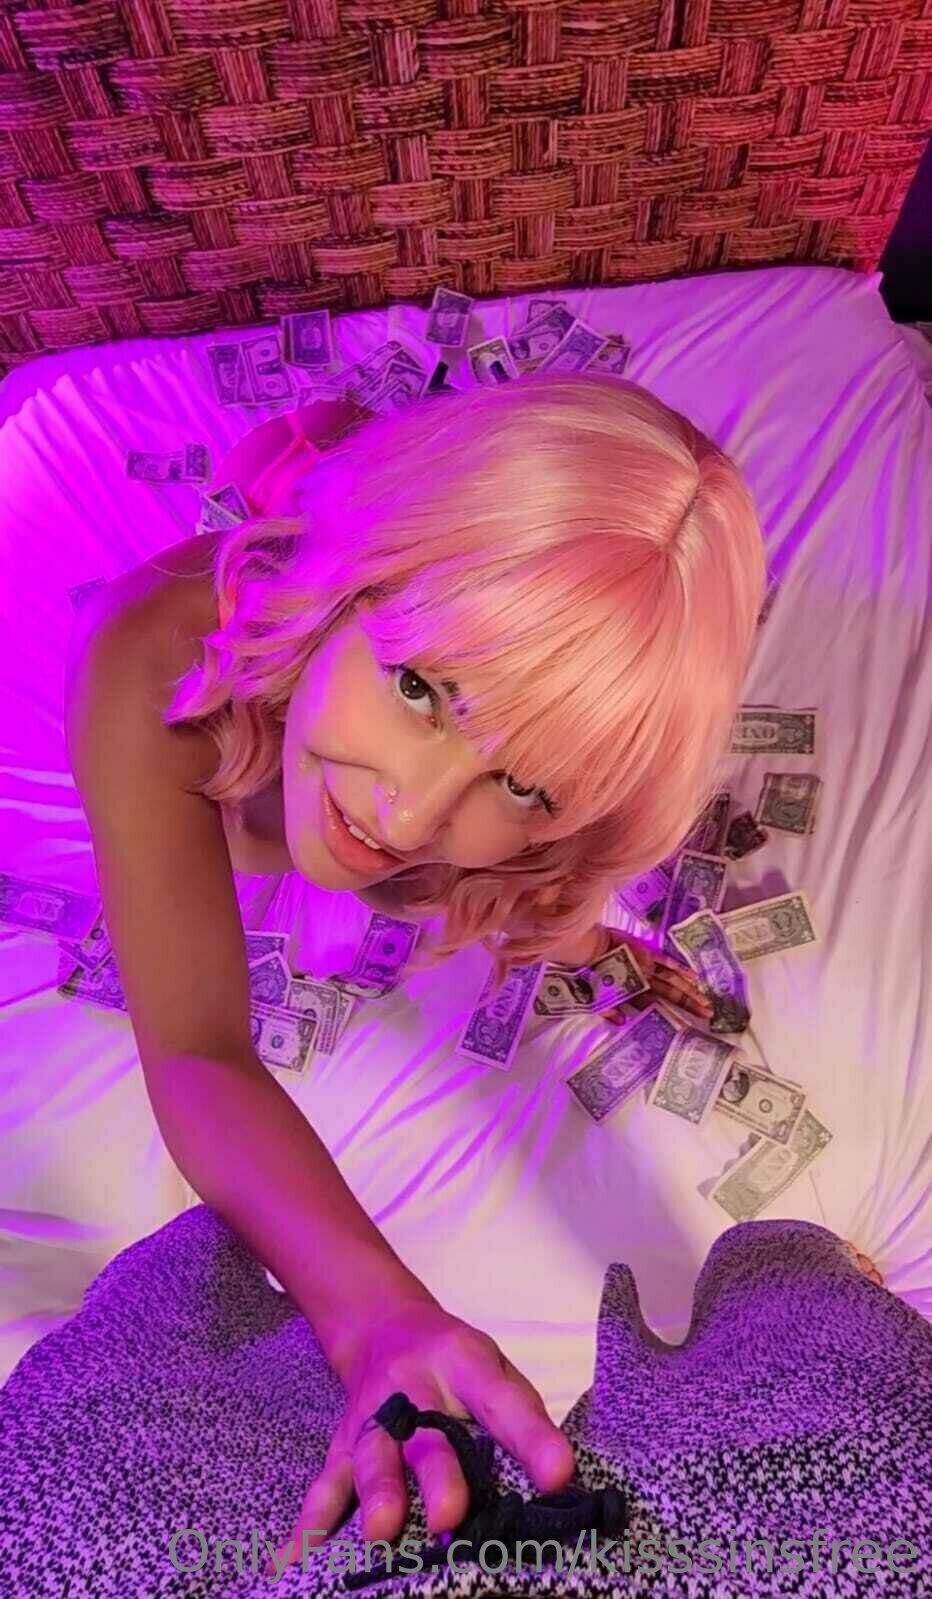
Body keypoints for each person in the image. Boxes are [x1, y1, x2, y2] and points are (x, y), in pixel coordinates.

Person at [63, 371, 766, 1571]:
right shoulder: (145, 665)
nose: (410, 815)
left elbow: (500, 871)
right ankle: (322, 461)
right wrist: (375, 1314)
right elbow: (194, 1049)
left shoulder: (469, 828)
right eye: (419, 689)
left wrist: (590, 941)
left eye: (523, 785)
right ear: (343, 585)